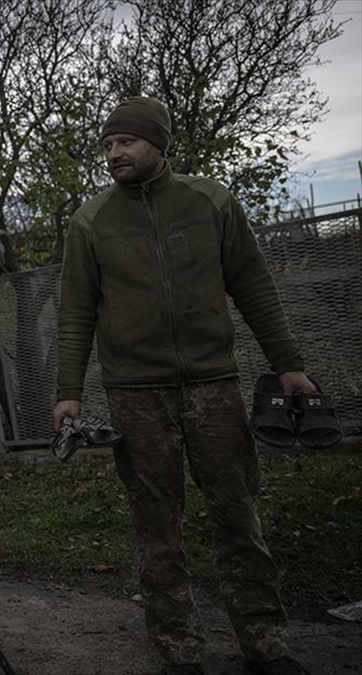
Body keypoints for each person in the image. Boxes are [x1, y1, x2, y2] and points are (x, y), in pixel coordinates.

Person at [53, 97, 312, 675]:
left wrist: (288, 362)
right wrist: (68, 391)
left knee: (238, 515)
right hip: (135, 396)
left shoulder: (210, 201)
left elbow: (253, 285)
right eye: (107, 144)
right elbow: (75, 314)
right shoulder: (91, 221)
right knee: (156, 525)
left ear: (159, 144)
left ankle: (266, 646)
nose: (113, 153)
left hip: (214, 386)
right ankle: (180, 652)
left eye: (125, 142)